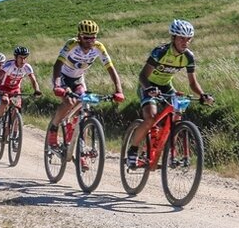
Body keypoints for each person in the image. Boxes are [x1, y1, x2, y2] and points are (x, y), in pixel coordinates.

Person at [126, 19, 214, 168]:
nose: (185, 42)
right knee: (151, 117)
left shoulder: (188, 57)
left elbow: (192, 83)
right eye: (181, 38)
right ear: (173, 38)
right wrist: (148, 89)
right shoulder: (160, 52)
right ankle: (133, 151)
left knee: (177, 115)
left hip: (166, 86)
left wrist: (202, 95)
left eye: (188, 39)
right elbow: (142, 76)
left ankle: (168, 151)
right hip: (148, 85)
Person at [46, 19, 125, 147]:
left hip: (78, 79)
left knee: (85, 108)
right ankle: (53, 128)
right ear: (79, 37)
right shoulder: (71, 44)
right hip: (63, 76)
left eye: (93, 37)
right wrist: (57, 85)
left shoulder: (99, 47)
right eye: (86, 37)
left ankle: (81, 148)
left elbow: (111, 68)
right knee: (69, 102)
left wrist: (119, 90)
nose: (90, 41)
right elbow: (57, 65)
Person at [0, 46, 43, 125]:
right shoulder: (9, 65)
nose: (23, 60)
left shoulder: (27, 67)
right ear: (16, 57)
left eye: (25, 58)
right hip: (4, 87)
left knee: (17, 107)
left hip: (15, 89)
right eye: (21, 58)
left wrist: (37, 90)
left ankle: (14, 130)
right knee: (4, 101)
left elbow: (33, 80)